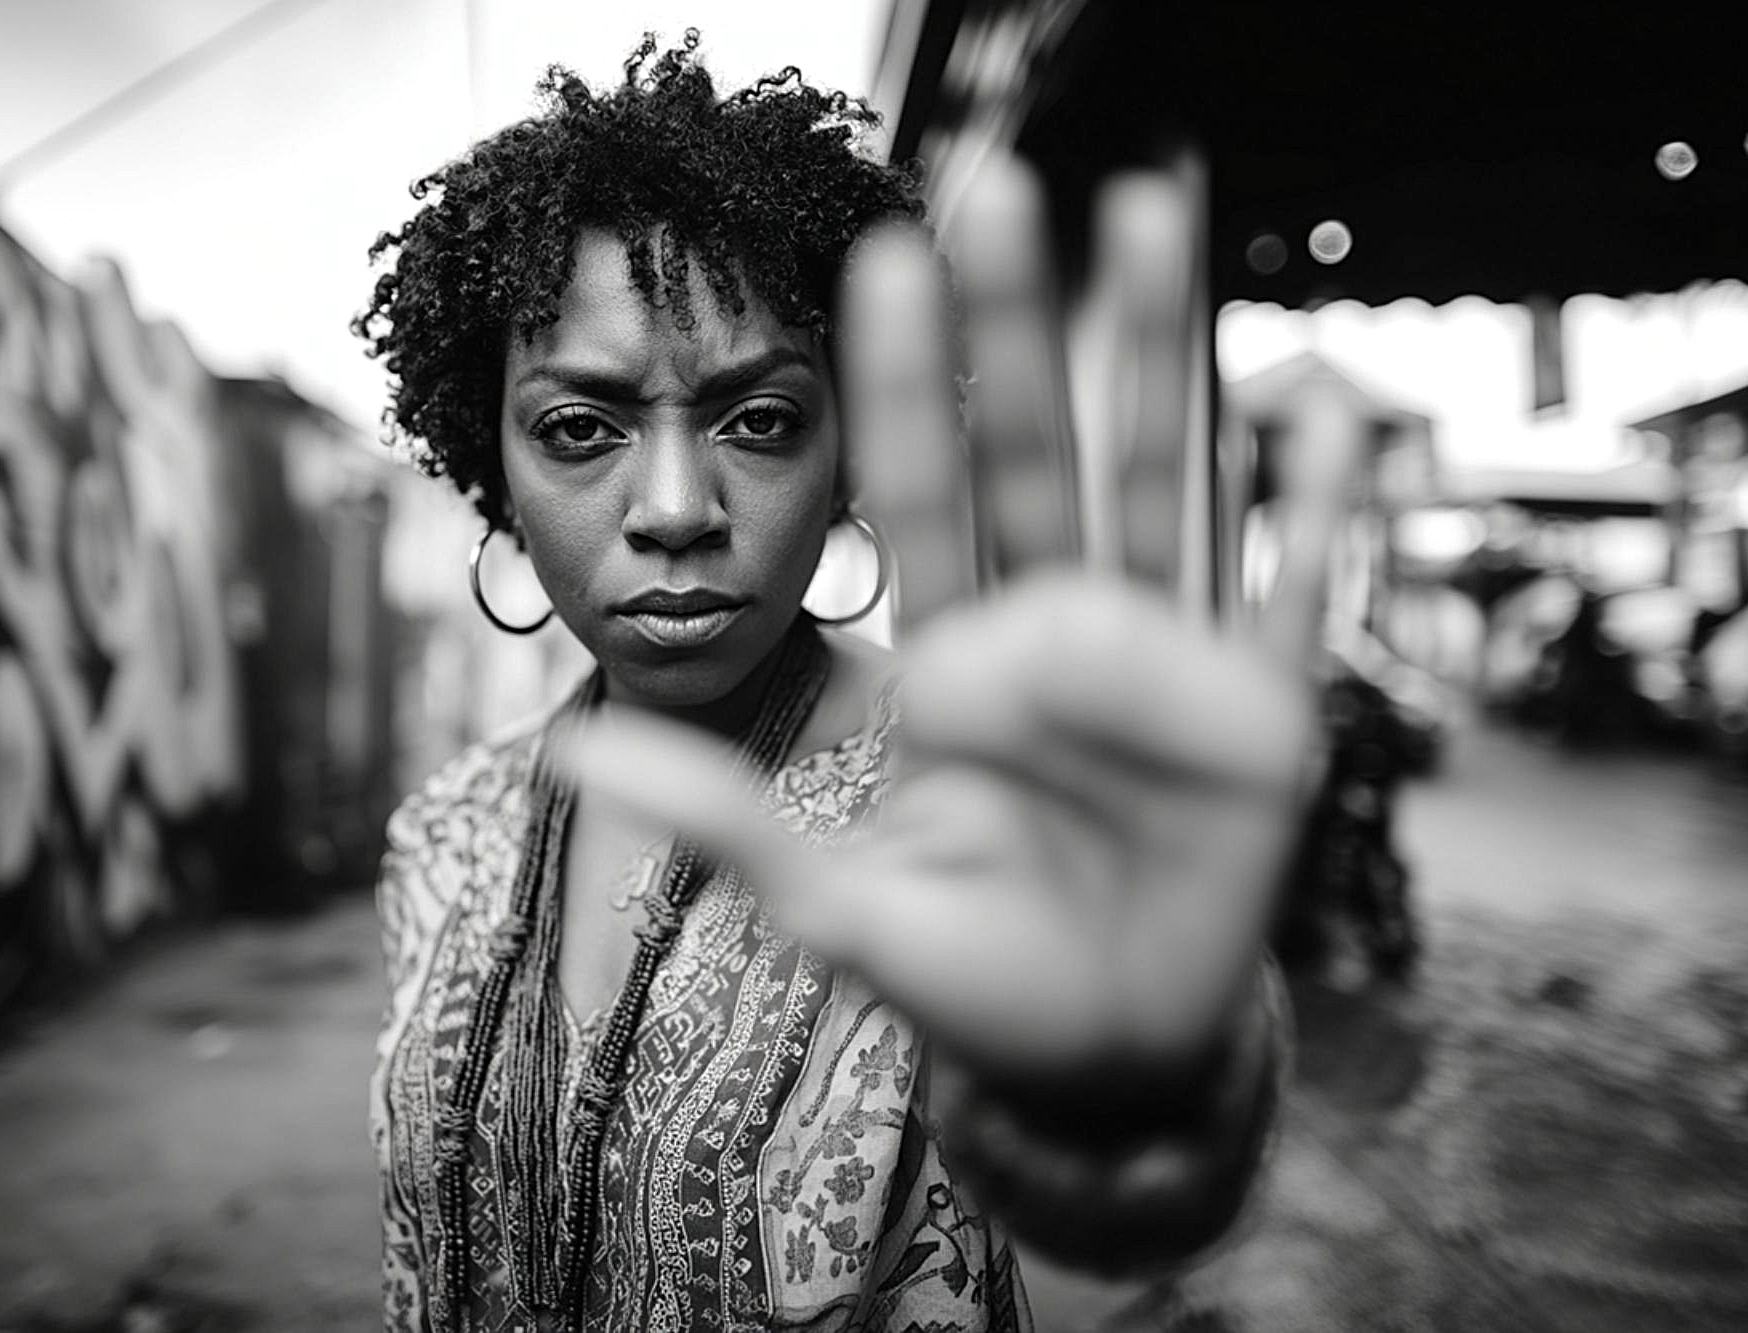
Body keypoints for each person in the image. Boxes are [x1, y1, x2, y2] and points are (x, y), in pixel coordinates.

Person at [354, 33, 1351, 1333]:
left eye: (757, 418)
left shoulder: (983, 805)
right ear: (489, 461)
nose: (672, 509)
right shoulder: (447, 838)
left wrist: (1140, 1122)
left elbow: (1103, 1249)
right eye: (580, 428)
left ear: (848, 459)